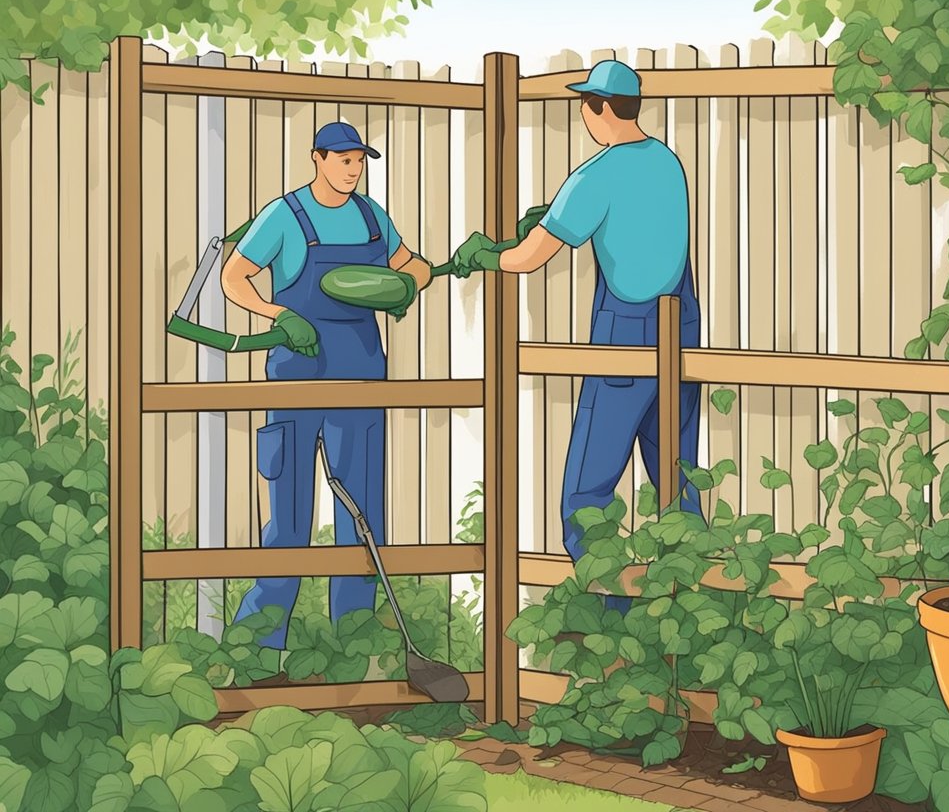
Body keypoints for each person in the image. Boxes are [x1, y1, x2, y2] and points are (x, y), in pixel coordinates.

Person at [450, 60, 704, 610]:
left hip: (626, 331)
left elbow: (527, 258)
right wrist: (555, 215)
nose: (584, 116)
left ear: (601, 109)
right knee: (677, 481)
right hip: (681, 326)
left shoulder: (595, 176)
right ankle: (696, 608)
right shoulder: (667, 162)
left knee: (586, 495)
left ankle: (611, 620)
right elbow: (635, 223)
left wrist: (485, 255)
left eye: (586, 106)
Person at [220, 121, 432, 656]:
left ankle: (353, 645)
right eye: (344, 160)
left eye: (359, 161)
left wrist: (408, 283)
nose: (354, 169)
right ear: (317, 159)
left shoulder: (371, 216)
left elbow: (413, 266)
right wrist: (277, 314)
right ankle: (259, 649)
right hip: (297, 370)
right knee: (288, 511)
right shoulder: (285, 215)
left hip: (361, 373)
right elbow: (233, 276)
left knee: (362, 509)